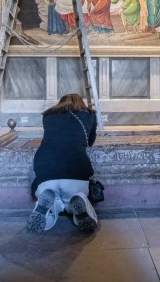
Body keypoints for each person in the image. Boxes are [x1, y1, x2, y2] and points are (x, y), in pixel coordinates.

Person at [28, 94, 99, 234]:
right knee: (73, 197)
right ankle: (78, 201)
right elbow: (90, 142)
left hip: (45, 170)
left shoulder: (47, 116)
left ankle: (47, 204)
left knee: (53, 198)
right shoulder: (90, 115)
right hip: (76, 171)